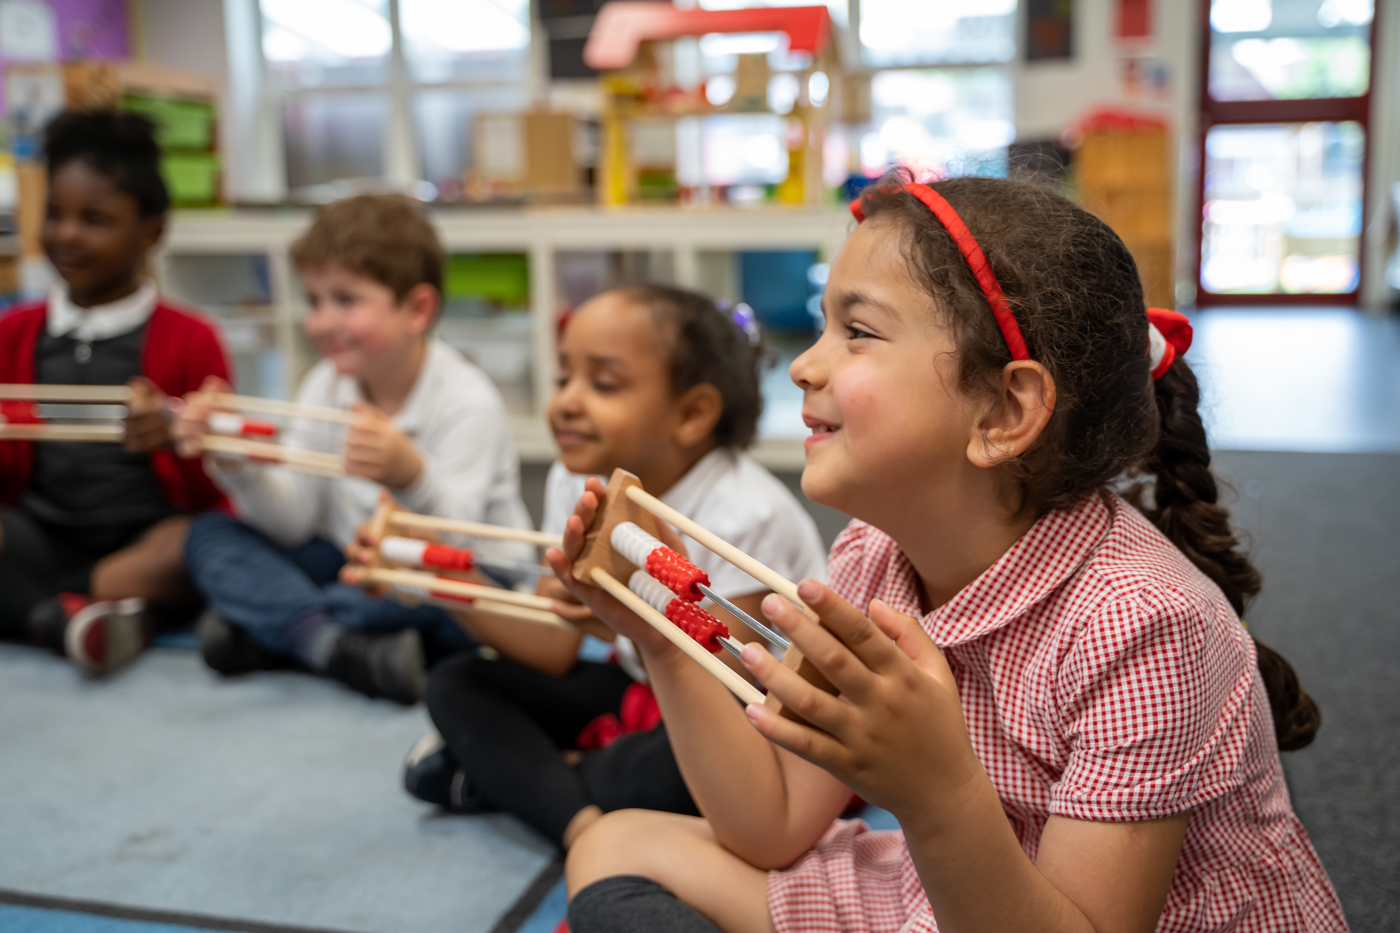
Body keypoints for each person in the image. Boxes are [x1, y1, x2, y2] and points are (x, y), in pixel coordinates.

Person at [550, 177, 1346, 933]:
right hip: (958, 882)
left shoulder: (1145, 622)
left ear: (1004, 409)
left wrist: (935, 794)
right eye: (825, 324)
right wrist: (666, 638)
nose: (804, 363)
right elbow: (773, 825)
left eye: (857, 331)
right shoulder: (872, 555)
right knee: (611, 844)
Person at [398, 285, 827, 849]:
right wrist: (448, 582)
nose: (567, 402)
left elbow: (732, 684)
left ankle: (529, 782)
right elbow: (554, 648)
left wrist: (621, 618)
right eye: (563, 378)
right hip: (636, 687)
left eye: (603, 384)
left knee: (671, 769)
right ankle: (581, 824)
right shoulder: (576, 479)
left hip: (734, 718)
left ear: (693, 413)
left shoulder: (747, 512)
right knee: (457, 681)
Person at [173, 194, 533, 704]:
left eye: (345, 300)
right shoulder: (325, 384)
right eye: (314, 301)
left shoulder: (466, 399)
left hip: (466, 575)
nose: (320, 322)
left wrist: (410, 477)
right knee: (210, 535)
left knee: (424, 601)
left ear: (418, 309)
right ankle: (333, 645)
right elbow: (293, 523)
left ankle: (277, 627)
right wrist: (236, 461)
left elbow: (456, 548)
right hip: (356, 563)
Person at [0, 110, 230, 676]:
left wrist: (178, 435)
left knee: (197, 546)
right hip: (37, 530)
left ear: (150, 231)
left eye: (96, 219)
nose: (67, 235)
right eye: (54, 214)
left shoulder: (191, 338)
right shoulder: (14, 332)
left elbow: (219, 481)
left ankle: (44, 605)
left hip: (143, 539)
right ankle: (65, 618)